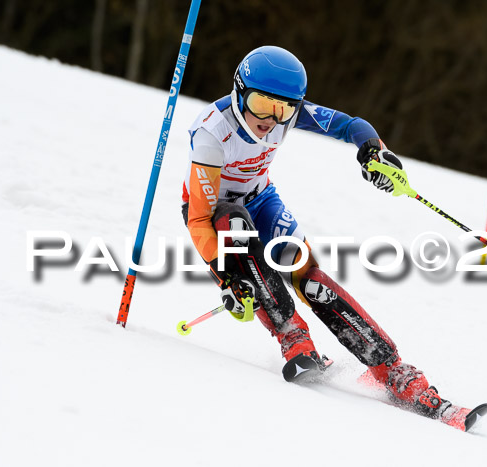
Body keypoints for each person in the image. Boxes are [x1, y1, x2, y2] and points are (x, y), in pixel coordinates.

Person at [181, 45, 455, 423]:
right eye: (262, 104)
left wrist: (372, 151)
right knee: (234, 223)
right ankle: (292, 335)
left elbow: (351, 125)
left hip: (261, 199)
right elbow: (199, 218)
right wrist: (224, 274)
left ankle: (389, 368)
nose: (271, 119)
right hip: (215, 214)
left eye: (285, 109)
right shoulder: (213, 133)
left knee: (308, 276)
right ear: (239, 91)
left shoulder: (284, 116)